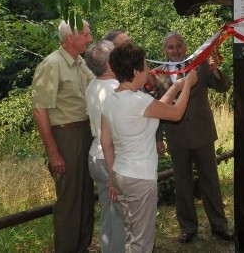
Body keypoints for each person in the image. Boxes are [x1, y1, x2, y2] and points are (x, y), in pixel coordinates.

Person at [100, 42, 197, 252]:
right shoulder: (139, 101)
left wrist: (176, 86)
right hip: (140, 179)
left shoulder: (110, 98)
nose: (147, 69)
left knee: (131, 234)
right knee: (142, 243)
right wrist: (188, 84)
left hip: (120, 174)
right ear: (136, 71)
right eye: (144, 65)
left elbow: (105, 142)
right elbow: (176, 113)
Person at [148, 32, 234, 244]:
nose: (175, 50)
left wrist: (215, 71)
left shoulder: (200, 65)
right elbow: (156, 108)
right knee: (182, 183)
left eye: (178, 46)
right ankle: (188, 227)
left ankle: (220, 225)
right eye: (170, 47)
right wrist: (158, 138)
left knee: (210, 181)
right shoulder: (157, 75)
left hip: (202, 133)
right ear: (164, 51)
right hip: (176, 136)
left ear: (185, 48)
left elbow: (224, 87)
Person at [31, 19, 95, 253]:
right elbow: (40, 110)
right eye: (86, 35)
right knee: (69, 201)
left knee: (85, 196)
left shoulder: (80, 63)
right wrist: (54, 152)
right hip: (66, 137)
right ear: (71, 38)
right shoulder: (52, 65)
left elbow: (99, 86)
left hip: (85, 133)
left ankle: (82, 247)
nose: (90, 39)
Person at [84, 40, 125, 252]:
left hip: (96, 156)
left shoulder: (93, 85)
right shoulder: (114, 89)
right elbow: (115, 134)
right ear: (109, 63)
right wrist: (113, 175)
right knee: (119, 218)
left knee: (109, 216)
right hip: (111, 158)